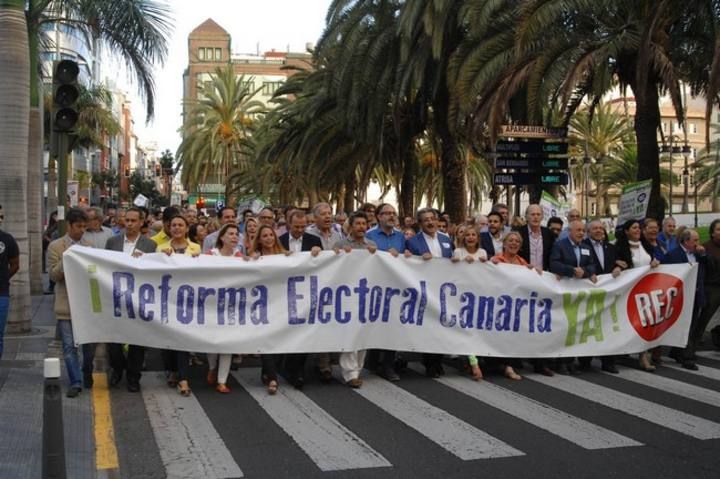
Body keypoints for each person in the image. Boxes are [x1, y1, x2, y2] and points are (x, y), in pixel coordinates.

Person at [105, 207, 157, 392]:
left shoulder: (150, 245)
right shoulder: (112, 242)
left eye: (133, 221)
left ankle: (133, 377)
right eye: (127, 220)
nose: (129, 224)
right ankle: (117, 370)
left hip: (139, 299)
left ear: (141, 222)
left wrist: (142, 261)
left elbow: (154, 271)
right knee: (114, 342)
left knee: (138, 340)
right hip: (116, 297)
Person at [47, 208, 91, 398]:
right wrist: (68, 257)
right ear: (70, 226)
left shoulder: (89, 246)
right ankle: (76, 381)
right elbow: (54, 276)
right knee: (68, 346)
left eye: (84, 227)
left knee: (88, 347)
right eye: (79, 226)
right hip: (66, 304)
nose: (82, 230)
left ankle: (86, 371)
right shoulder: (56, 246)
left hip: (86, 305)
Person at [332, 212, 378, 388]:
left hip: (366, 294)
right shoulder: (341, 244)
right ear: (350, 226)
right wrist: (338, 254)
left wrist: (377, 254)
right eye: (357, 223)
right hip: (346, 294)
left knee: (362, 333)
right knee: (350, 333)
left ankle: (358, 368)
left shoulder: (372, 245)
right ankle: (349, 373)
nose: (361, 227)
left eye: (363, 224)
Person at [406, 207, 453, 378]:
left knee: (441, 326)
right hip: (424, 289)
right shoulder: (413, 242)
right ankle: (430, 364)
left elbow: (452, 258)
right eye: (426, 220)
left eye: (432, 218)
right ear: (420, 224)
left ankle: (438, 361)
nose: (430, 222)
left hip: (444, 289)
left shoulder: (446, 239)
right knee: (428, 327)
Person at [156, 215, 200, 396]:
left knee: (181, 339)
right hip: (166, 300)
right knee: (167, 340)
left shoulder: (196, 248)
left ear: (187, 228)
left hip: (186, 301)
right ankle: (172, 370)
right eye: (173, 225)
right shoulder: (160, 248)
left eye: (180, 225)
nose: (176, 228)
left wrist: (199, 259)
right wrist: (161, 257)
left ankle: (183, 379)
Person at [278, 210, 322, 389]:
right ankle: (287, 367)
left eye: (303, 226)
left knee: (303, 331)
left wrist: (319, 252)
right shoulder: (279, 241)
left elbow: (323, 263)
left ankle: (298, 372)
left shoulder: (314, 241)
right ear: (288, 225)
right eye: (296, 226)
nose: (300, 230)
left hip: (306, 292)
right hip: (282, 293)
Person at [550, 219, 597, 375]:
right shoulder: (560, 245)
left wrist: (585, 271)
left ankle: (571, 361)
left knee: (575, 327)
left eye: (583, 231)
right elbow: (554, 264)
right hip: (564, 292)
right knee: (563, 326)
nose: (581, 233)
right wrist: (571, 270)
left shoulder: (586, 247)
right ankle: (560, 362)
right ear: (569, 231)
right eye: (578, 230)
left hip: (579, 295)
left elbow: (592, 265)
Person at [365, 203, 406, 382]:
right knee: (375, 323)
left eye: (393, 213)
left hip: (395, 287)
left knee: (393, 325)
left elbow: (407, 257)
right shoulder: (369, 235)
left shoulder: (401, 237)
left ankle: (388, 365)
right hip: (374, 286)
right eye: (387, 213)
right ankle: (373, 360)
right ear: (378, 216)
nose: (391, 216)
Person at [248, 225, 289, 395]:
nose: (268, 238)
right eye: (264, 236)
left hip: (281, 304)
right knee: (266, 341)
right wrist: (252, 260)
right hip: (262, 305)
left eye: (271, 235)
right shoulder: (254, 257)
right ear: (259, 239)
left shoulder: (286, 255)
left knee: (279, 342)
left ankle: (267, 372)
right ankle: (272, 378)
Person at [615, 219, 660, 371]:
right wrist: (617, 266)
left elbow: (651, 261)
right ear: (627, 231)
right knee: (628, 322)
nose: (637, 230)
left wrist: (654, 263)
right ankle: (622, 352)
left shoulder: (645, 245)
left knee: (645, 323)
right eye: (634, 228)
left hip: (645, 291)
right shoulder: (619, 247)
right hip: (629, 291)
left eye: (639, 228)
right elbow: (616, 265)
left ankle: (643, 357)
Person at [485, 231, 530, 380]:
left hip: (516, 307)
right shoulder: (496, 260)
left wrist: (535, 272)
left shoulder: (523, 263)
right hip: (498, 305)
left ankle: (509, 365)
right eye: (510, 240)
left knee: (513, 336)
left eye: (517, 241)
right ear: (504, 243)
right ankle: (500, 364)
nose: (514, 243)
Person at [206, 223, 244, 393]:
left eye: (236, 234)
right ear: (222, 237)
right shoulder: (210, 255)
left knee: (227, 342)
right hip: (212, 304)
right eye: (230, 234)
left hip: (232, 305)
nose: (234, 237)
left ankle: (222, 380)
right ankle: (212, 367)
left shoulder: (240, 257)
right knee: (212, 341)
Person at [580, 220, 623, 374]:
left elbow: (623, 263)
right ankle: (585, 361)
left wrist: (619, 267)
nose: (599, 231)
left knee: (608, 326)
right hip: (590, 292)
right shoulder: (583, 245)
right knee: (589, 327)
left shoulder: (611, 248)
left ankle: (608, 362)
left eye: (601, 228)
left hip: (609, 294)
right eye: (595, 228)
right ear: (588, 231)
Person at [663, 228, 708, 370]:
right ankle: (687, 357)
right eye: (695, 240)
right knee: (684, 326)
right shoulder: (673, 255)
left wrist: (703, 254)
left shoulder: (698, 254)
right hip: (681, 297)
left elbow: (710, 264)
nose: (698, 243)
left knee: (692, 325)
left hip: (696, 295)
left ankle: (676, 352)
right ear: (686, 241)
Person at [0, 205, 19, 360]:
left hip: (1, 294)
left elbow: (15, 264)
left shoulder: (7, 239)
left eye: (1, 217)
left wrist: (4, 277)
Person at [700, 220, 720, 355]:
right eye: (718, 229)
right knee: (704, 318)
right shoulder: (705, 247)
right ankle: (688, 350)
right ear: (712, 233)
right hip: (712, 287)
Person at [518, 205, 555, 272]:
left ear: (542, 217)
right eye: (533, 214)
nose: (536, 217)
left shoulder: (548, 233)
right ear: (526, 216)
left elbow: (552, 255)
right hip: (524, 273)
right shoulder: (519, 233)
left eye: (538, 214)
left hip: (543, 274)